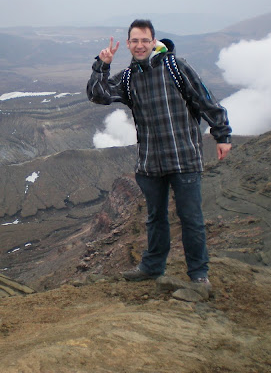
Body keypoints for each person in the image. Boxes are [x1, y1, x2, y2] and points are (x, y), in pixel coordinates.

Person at [86, 19, 232, 287]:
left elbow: (204, 99)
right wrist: (102, 65)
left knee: (191, 219)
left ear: (154, 42)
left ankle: (199, 276)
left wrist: (221, 134)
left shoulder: (176, 67)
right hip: (151, 162)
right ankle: (152, 268)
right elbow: (98, 95)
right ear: (128, 45)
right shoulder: (129, 78)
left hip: (184, 157)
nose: (140, 45)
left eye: (145, 40)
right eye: (135, 41)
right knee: (155, 218)